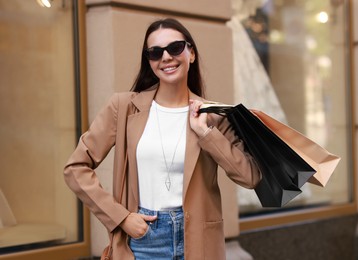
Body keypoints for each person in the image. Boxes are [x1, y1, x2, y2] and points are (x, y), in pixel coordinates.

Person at [64, 18, 261, 260]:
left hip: (199, 242)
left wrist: (206, 134)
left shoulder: (213, 116)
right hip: (144, 240)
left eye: (175, 47)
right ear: (149, 62)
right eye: (155, 52)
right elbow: (75, 168)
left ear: (191, 54)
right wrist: (121, 217)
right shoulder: (124, 107)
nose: (166, 57)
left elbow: (250, 177)